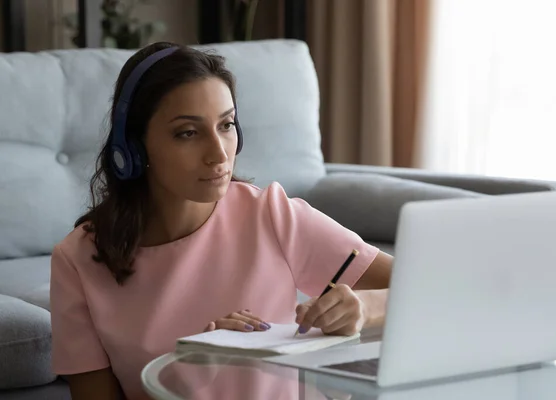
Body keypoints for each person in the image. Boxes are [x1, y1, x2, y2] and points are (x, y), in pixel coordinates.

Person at [50, 41, 393, 400]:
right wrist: (190, 369)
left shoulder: (271, 214)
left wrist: (364, 307)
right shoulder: (77, 261)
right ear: (134, 147)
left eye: (226, 125)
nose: (219, 154)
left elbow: (427, 290)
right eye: (188, 132)